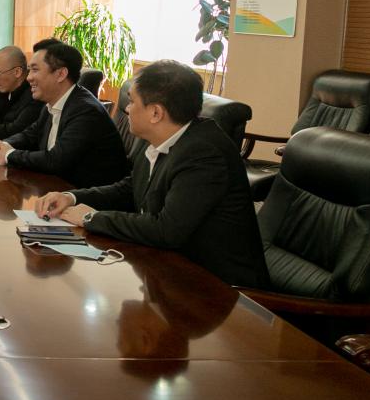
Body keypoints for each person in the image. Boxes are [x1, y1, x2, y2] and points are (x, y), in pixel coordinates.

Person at [35, 59, 270, 288]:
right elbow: (130, 189)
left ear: (156, 113)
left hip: (220, 290)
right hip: (171, 270)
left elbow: (166, 230)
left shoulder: (204, 154)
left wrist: (91, 218)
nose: (127, 109)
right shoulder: (161, 139)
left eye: (132, 102)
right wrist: (72, 197)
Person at [0, 39, 128, 187]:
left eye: (35, 70)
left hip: (86, 196)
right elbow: (30, 135)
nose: (28, 77)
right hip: (57, 188)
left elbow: (55, 160)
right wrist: (3, 145)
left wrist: (8, 154)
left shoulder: (86, 111)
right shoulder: (52, 103)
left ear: (61, 74)